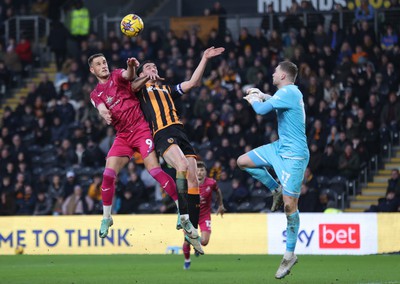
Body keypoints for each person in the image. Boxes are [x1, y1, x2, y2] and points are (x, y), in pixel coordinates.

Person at [131, 46, 225, 254]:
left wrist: (204, 58)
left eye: (154, 66)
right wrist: (146, 76)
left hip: (180, 131)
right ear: (141, 73)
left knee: (193, 179)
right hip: (162, 133)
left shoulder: (167, 89)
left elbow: (193, 83)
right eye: (147, 66)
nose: (152, 67)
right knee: (181, 166)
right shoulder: (140, 90)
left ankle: (190, 232)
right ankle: (183, 216)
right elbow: (133, 85)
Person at [88, 53, 187, 240]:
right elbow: (100, 106)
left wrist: (132, 66)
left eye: (104, 62)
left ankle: (181, 209)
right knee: (108, 174)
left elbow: (128, 75)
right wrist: (104, 114)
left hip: (141, 130)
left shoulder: (117, 75)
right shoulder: (95, 94)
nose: (103, 66)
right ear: (92, 70)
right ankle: (107, 217)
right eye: (99, 64)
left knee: (154, 171)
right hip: (123, 136)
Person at [237, 61, 309, 279]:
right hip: (279, 148)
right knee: (242, 161)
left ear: (284, 76)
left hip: (294, 156)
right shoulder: (288, 94)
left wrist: (253, 98)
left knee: (290, 206)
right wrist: (262, 94)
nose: (272, 73)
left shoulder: (289, 92)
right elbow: (272, 101)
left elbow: (260, 111)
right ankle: (275, 188)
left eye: (276, 71)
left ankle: (289, 255)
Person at [183, 160, 225, 270]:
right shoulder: (188, 182)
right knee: (187, 241)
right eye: (197, 170)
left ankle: (197, 244)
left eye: (202, 170)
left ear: (206, 172)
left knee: (205, 242)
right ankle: (187, 261)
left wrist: (220, 205)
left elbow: (218, 191)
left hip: (204, 216)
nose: (200, 172)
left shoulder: (211, 183)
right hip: (190, 216)